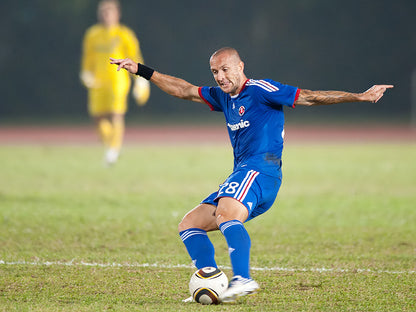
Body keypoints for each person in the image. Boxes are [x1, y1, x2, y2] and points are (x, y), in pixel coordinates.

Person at [110, 48, 393, 303]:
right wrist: (141, 70)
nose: (220, 77)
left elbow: (310, 96)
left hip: (261, 170)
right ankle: (211, 278)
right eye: (215, 72)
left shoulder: (260, 89)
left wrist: (359, 96)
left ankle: (242, 279)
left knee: (226, 216)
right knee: (190, 224)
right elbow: (183, 90)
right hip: (244, 173)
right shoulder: (223, 96)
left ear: (240, 66)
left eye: (225, 69)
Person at [80, 0, 150, 165]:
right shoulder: (92, 34)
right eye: (103, 13)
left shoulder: (124, 35)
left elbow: (135, 58)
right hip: (98, 82)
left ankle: (113, 150)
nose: (106, 16)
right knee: (98, 118)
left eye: (109, 13)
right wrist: (86, 73)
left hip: (118, 80)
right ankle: (112, 144)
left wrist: (140, 81)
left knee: (116, 114)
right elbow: (87, 57)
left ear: (117, 14)